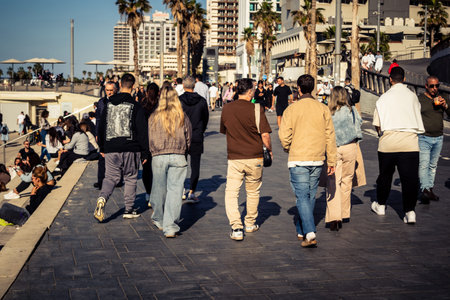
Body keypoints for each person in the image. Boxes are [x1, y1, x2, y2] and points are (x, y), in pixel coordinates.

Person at [278, 74, 337, 248]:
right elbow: (330, 136)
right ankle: (301, 228)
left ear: (298, 88)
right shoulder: (323, 108)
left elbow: (284, 135)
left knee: (302, 196)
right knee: (310, 195)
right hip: (317, 158)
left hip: (298, 158)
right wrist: (331, 160)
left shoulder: (292, 109)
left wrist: (288, 147)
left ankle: (309, 232)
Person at [220, 78, 272, 241]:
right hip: (255, 156)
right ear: (249, 92)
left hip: (235, 157)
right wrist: (269, 150)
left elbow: (224, 130)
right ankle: (249, 223)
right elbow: (265, 134)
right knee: (253, 191)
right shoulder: (257, 109)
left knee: (231, 192)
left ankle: (236, 227)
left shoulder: (227, 108)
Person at [371, 67, 424, 224]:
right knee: (410, 179)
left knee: (385, 176)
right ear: (405, 78)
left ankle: (381, 205)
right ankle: (410, 211)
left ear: (390, 79)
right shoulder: (413, 97)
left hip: (388, 143)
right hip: (410, 143)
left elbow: (377, 124)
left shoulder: (383, 98)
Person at [94, 73, 149, 222]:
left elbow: (101, 126)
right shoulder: (136, 105)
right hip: (131, 147)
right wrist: (145, 152)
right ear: (133, 87)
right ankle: (128, 209)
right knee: (130, 178)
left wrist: (102, 148)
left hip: (111, 147)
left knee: (110, 177)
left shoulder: (108, 104)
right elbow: (142, 130)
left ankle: (102, 198)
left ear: (120, 85)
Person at [148, 85, 192, 238]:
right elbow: (188, 137)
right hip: (178, 155)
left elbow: (150, 138)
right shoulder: (182, 116)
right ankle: (170, 226)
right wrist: (184, 149)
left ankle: (159, 219)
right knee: (175, 191)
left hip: (159, 155)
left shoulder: (154, 116)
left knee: (159, 188)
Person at [325, 86, 363, 231]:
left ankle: (335, 217)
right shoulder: (351, 110)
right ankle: (344, 213)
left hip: (334, 149)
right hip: (350, 147)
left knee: (334, 181)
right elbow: (358, 124)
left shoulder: (328, 112)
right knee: (347, 180)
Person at [417, 76, 450, 203]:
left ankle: (429, 189)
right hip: (424, 137)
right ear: (426, 86)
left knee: (433, 165)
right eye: (432, 86)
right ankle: (425, 189)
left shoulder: (442, 98)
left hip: (439, 137)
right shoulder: (420, 100)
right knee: (424, 164)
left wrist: (445, 105)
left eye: (437, 86)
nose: (434, 88)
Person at [179, 76, 209, 203]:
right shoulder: (201, 101)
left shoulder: (178, 100)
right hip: (196, 135)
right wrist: (201, 130)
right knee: (195, 166)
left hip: (181, 136)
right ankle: (192, 191)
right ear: (194, 86)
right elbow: (205, 118)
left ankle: (181, 190)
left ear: (183, 86)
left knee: (180, 165)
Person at [93, 81, 117, 189]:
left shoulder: (119, 102)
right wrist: (97, 133)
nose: (109, 92)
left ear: (115, 90)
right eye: (107, 90)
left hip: (115, 134)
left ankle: (117, 180)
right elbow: (98, 119)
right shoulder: (101, 102)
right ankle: (101, 180)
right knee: (102, 158)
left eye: (111, 90)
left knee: (116, 158)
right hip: (103, 133)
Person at [141, 83, 160, 204]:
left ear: (147, 92)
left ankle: (148, 193)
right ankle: (156, 193)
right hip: (158, 142)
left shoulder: (142, 106)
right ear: (158, 92)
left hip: (145, 141)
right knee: (157, 170)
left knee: (146, 169)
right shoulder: (161, 106)